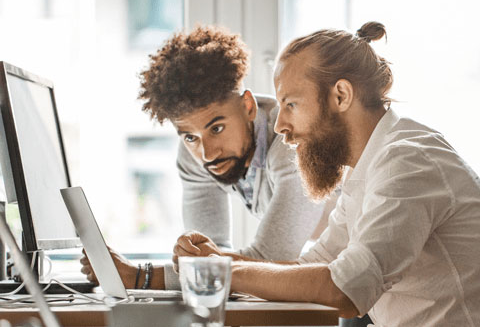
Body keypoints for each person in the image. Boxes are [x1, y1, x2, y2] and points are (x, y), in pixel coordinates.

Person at [173, 22, 480, 326]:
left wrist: (222, 270)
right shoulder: (366, 169)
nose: (280, 126)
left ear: (341, 96)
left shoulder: (408, 160)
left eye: (291, 104)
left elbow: (345, 289)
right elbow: (314, 264)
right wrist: (214, 263)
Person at [80, 26, 330, 292]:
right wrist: (195, 258)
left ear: (248, 106)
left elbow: (269, 265)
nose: (207, 154)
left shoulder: (292, 141)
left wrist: (141, 276)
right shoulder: (194, 157)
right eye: (190, 137)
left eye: (217, 128)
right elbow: (209, 257)